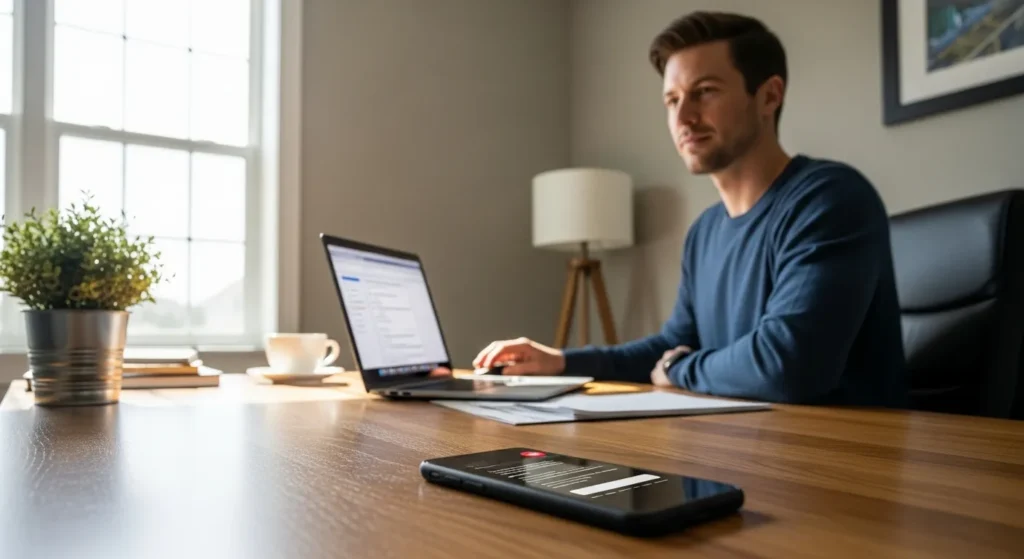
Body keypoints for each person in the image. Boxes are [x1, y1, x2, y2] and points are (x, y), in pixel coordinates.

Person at [464, 11, 908, 406]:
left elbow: (788, 366)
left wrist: (680, 370)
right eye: (672, 100)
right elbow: (672, 345)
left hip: (838, 466)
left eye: (705, 92)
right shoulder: (705, 232)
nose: (683, 118)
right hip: (743, 450)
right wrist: (561, 361)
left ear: (769, 96)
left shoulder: (829, 199)